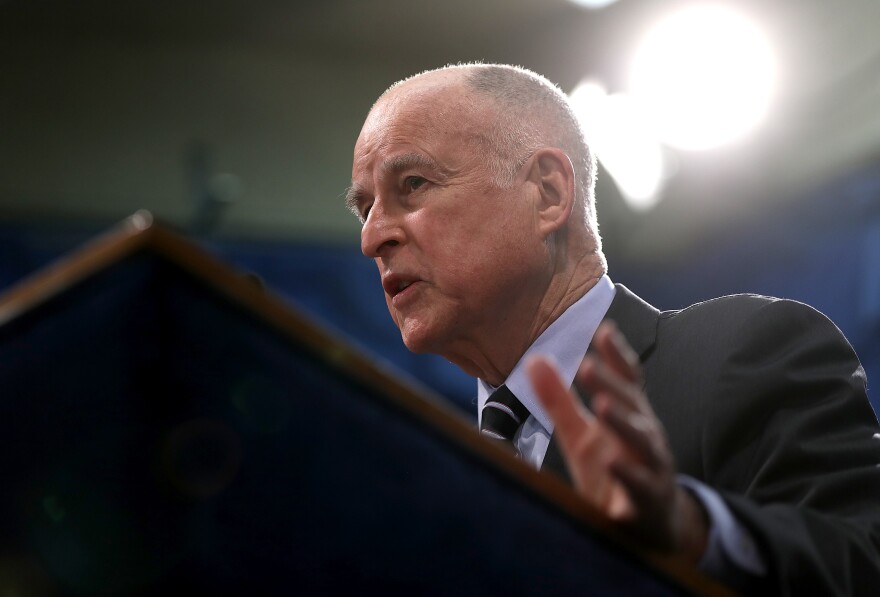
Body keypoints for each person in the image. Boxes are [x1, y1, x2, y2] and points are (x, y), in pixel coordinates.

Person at [346, 63, 880, 594]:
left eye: (412, 185)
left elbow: (864, 560)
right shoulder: (440, 477)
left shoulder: (745, 350)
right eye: (365, 209)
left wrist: (693, 531)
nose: (372, 239)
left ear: (548, 193)